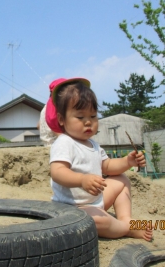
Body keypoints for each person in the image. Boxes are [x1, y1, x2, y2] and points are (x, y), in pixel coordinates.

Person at [46, 77, 153, 241]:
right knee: (93, 221)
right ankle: (125, 228)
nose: (88, 122)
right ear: (61, 119)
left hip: (96, 200)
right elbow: (58, 172)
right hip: (73, 208)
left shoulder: (93, 144)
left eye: (93, 116)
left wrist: (127, 162)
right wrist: (82, 180)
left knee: (121, 179)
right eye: (80, 117)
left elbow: (108, 166)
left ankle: (126, 219)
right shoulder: (64, 143)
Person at [38, 79, 65, 146]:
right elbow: (55, 127)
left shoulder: (46, 107)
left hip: (46, 144)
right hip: (56, 145)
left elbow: (38, 125)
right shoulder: (55, 106)